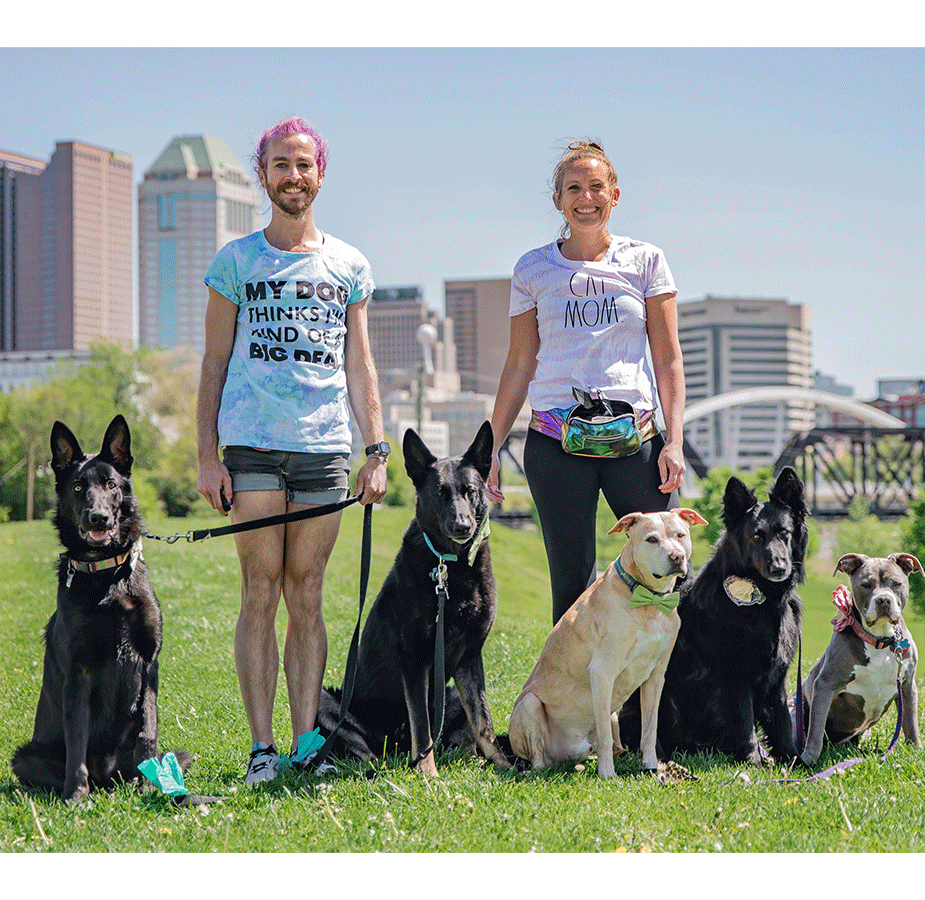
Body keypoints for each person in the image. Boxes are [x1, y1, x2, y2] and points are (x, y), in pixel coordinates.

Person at [196, 116, 388, 783]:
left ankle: (306, 748)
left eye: (303, 164)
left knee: (306, 593)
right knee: (259, 590)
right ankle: (260, 751)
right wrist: (206, 456)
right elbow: (214, 363)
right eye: (281, 164)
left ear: (320, 174)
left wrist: (376, 452)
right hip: (251, 446)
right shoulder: (236, 261)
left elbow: (359, 366)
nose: (293, 175)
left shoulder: (348, 265)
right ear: (263, 174)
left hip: (323, 450)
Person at [488, 140, 686, 625]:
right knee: (572, 587)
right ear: (558, 200)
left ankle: (662, 702)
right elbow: (519, 363)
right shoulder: (533, 268)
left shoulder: (645, 261)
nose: (586, 197)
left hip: (636, 443)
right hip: (556, 444)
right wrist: (490, 449)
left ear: (614, 195)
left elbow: (668, 358)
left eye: (596, 187)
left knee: (667, 578)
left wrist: (675, 441)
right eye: (573, 188)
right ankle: (573, 699)